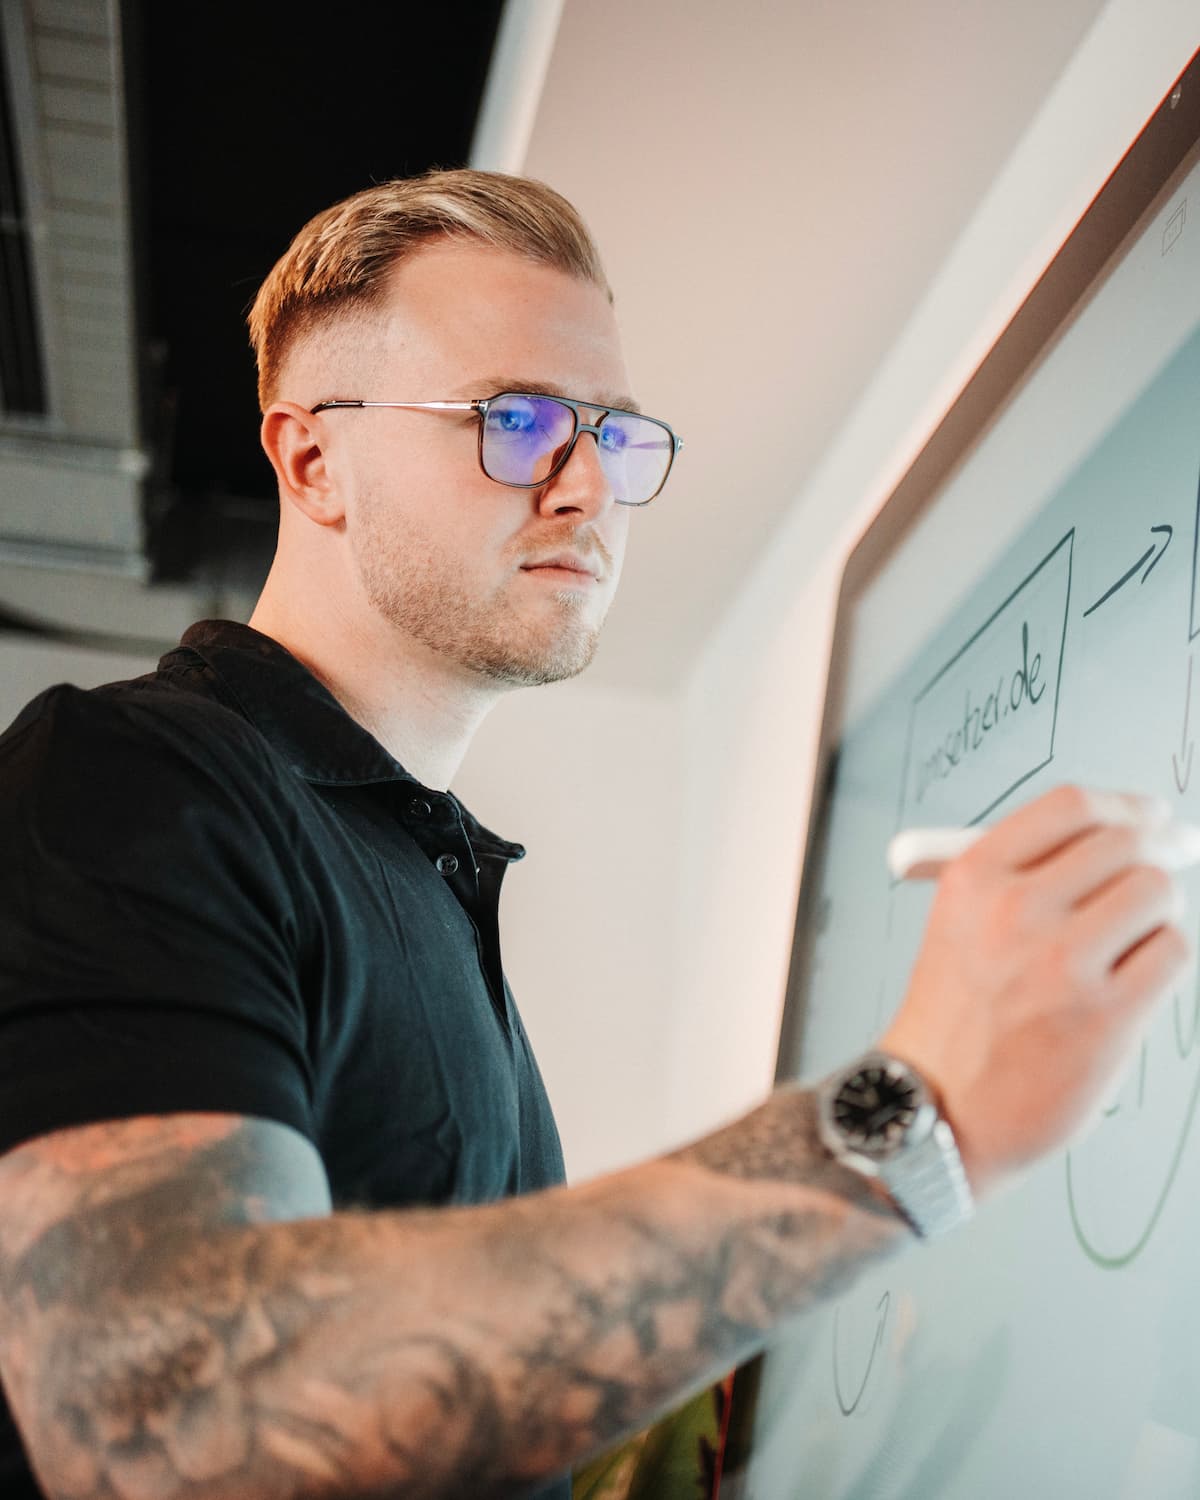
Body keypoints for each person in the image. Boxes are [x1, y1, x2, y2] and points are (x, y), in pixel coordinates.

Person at [0, 168, 1187, 1500]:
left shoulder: (422, 870)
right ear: (312, 459)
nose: (586, 489)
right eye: (515, 421)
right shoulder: (131, 778)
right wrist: (906, 1118)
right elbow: (162, 1412)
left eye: (615, 436)